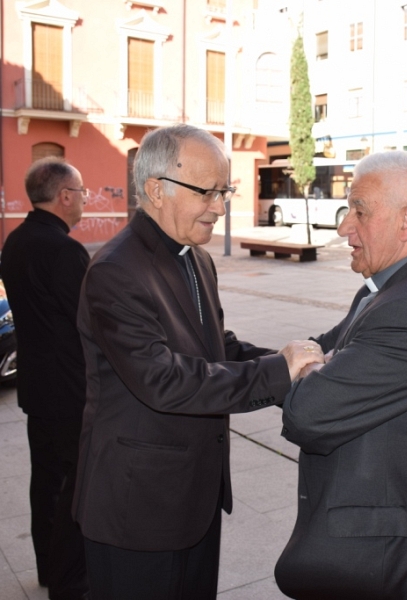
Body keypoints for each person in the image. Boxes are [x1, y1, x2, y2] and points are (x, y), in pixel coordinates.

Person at [72, 124, 323, 600]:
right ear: (155, 190)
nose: (221, 207)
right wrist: (275, 372)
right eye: (207, 192)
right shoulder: (115, 271)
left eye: (224, 190)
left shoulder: (195, 258)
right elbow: (162, 379)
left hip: (193, 499)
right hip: (138, 509)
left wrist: (294, 364)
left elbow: (215, 347)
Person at [274, 151, 407, 600]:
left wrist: (315, 373)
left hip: (381, 561)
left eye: (359, 211)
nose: (345, 226)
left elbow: (307, 413)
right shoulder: (394, 288)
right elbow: (315, 349)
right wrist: (316, 366)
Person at [1, 157, 90, 599]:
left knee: (45, 482)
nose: (85, 201)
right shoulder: (63, 249)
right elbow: (90, 322)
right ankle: (68, 579)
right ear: (65, 196)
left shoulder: (15, 241)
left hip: (37, 385)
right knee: (73, 487)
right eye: (82, 193)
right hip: (70, 390)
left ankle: (47, 568)